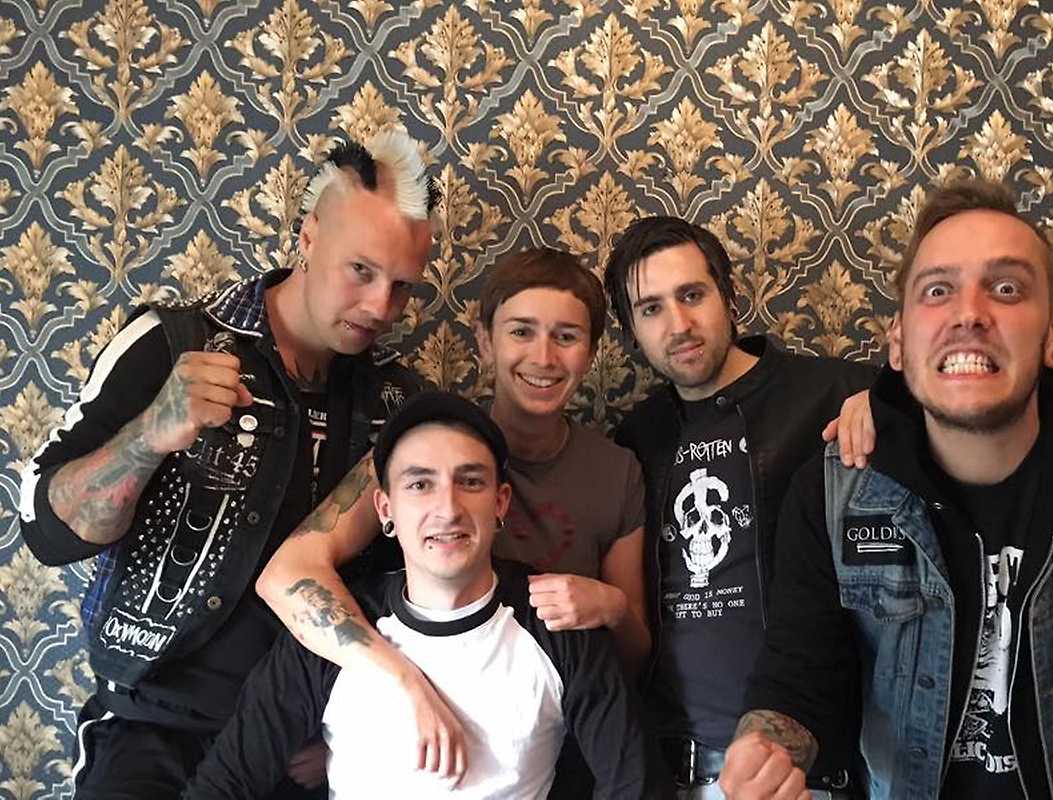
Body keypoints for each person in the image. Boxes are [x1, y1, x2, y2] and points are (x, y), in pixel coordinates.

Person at [719, 179, 1053, 799]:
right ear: (899, 342)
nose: (969, 313)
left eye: (1007, 288)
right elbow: (801, 675)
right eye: (938, 290)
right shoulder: (832, 494)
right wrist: (766, 746)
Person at [16, 130, 437, 797]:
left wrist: (351, 719)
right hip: (151, 727)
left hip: (304, 739)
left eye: (402, 286)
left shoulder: (398, 402)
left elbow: (407, 587)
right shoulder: (169, 343)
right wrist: (149, 434)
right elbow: (46, 532)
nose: (381, 307)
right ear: (308, 237)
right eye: (361, 270)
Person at [253, 247, 649, 784]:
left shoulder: (617, 471)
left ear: (592, 352)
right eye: (521, 331)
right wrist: (365, 721)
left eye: (566, 336)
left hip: (563, 743)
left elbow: (634, 658)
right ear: (484, 342)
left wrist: (613, 607)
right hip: (415, 736)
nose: (544, 357)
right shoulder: (424, 448)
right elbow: (288, 576)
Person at [182, 392, 654, 799]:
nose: (447, 508)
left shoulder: (557, 623)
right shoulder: (331, 632)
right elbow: (223, 785)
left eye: (470, 481)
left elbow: (636, 785)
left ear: (500, 503)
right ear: (385, 509)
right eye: (420, 484)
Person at [602, 217, 877, 798]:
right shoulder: (636, 439)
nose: (679, 325)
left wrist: (889, 403)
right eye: (651, 309)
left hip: (806, 771)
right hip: (674, 771)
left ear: (729, 295)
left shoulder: (833, 395)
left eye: (692, 295)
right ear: (630, 331)